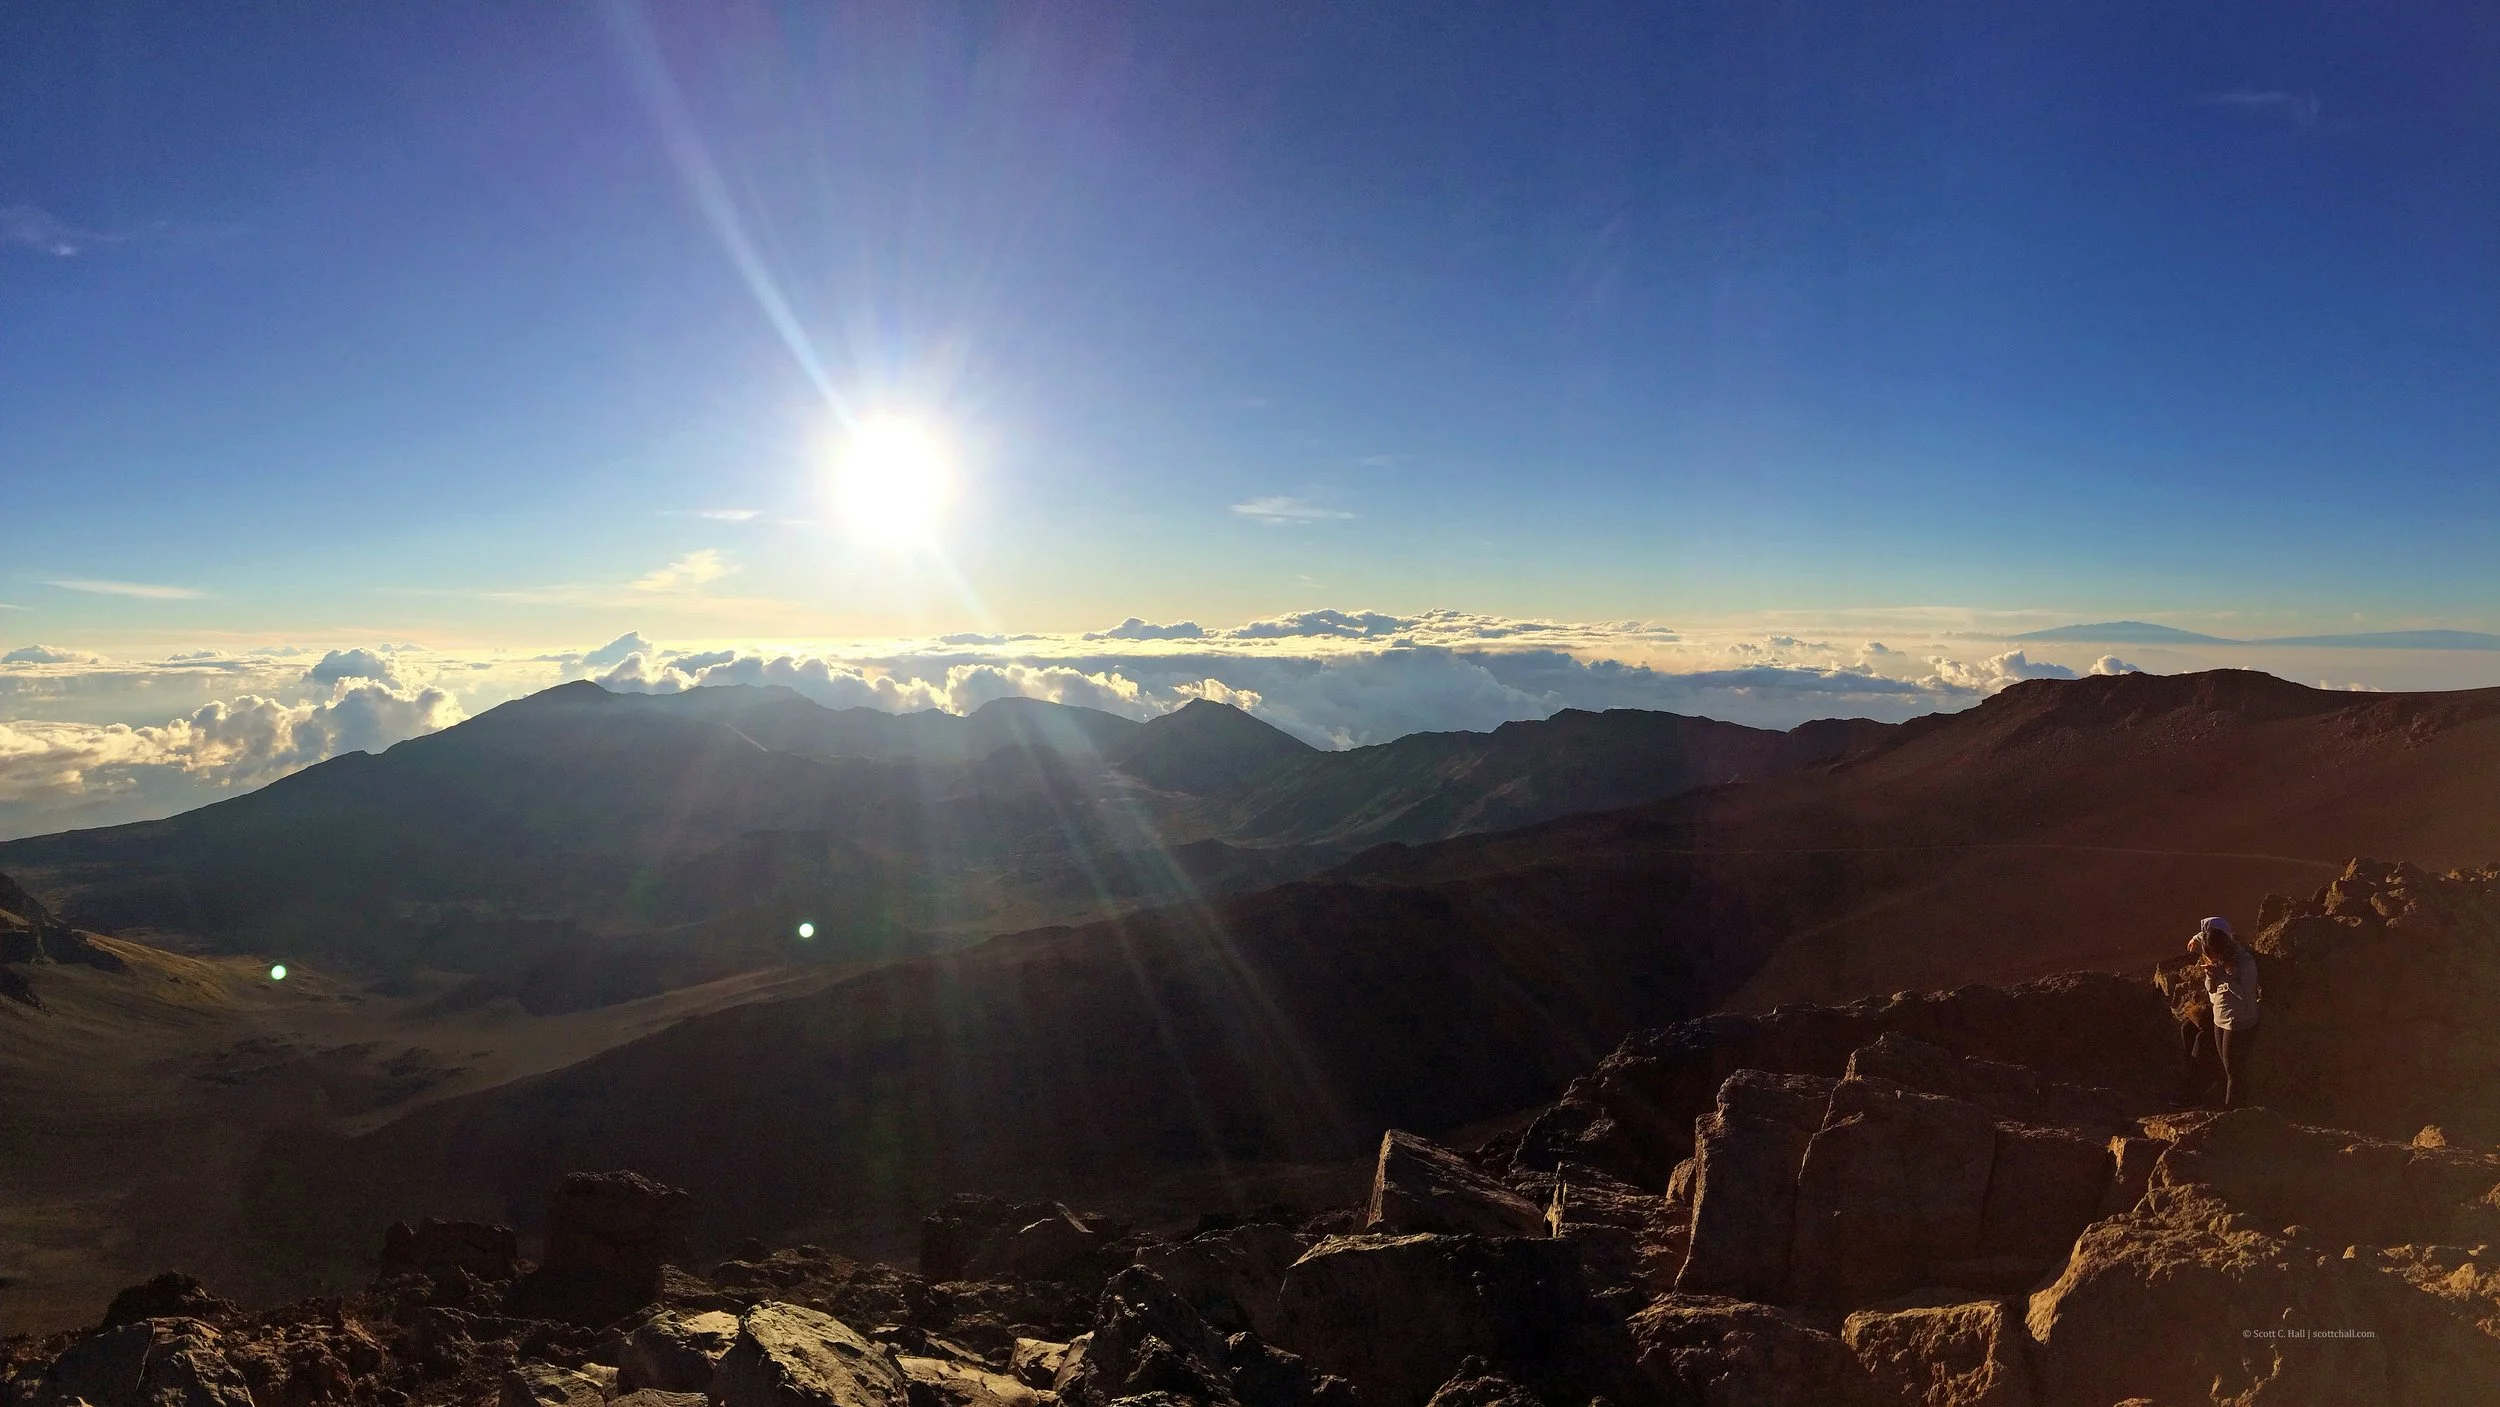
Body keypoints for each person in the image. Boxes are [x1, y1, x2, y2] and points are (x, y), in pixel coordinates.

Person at [2192, 916, 2263, 1108]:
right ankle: (2237, 1106)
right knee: (2228, 1069)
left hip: (2239, 1022)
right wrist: (2211, 977)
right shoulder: (2221, 960)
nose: (2213, 959)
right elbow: (2212, 989)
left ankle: (2231, 1113)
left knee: (2234, 1073)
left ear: (2222, 948)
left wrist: (2222, 976)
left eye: (2213, 955)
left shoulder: (2245, 963)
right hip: (2220, 1019)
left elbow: (2245, 994)